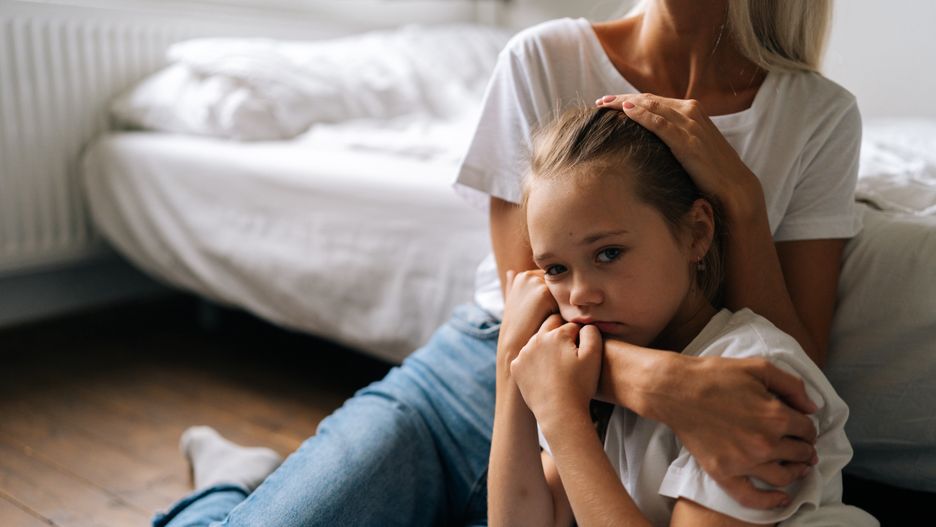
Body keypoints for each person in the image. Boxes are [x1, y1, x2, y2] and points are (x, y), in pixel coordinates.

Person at [152, 1, 863, 525]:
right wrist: (662, 383)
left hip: (598, 425)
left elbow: (791, 371)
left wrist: (740, 195)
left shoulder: (818, 112)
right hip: (486, 375)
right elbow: (534, 300)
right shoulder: (542, 58)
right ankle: (231, 482)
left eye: (610, 251)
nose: (583, 280)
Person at [489, 106, 875, 526]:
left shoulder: (754, 372)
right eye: (556, 269)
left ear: (697, 233)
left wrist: (563, 419)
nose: (581, 295)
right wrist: (511, 359)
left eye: (609, 253)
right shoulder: (591, 373)